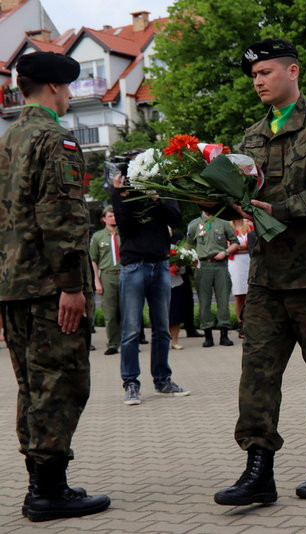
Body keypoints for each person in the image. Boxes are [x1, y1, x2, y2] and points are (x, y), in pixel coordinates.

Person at [214, 38, 306, 507]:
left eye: (266, 73)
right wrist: (213, 198)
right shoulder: (250, 137)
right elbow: (238, 195)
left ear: (292, 72)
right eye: (253, 76)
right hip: (267, 278)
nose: (258, 82)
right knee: (256, 373)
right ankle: (258, 468)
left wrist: (280, 208)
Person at [0, 51, 110, 522]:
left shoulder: (6, 141)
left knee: (31, 385)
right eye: (68, 89)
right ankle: (48, 493)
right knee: (60, 385)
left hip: (13, 287)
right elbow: (61, 218)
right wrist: (71, 285)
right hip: (49, 288)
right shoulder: (55, 140)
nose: (68, 97)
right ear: (54, 89)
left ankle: (42, 485)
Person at [111, 172, 190, 405]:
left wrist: (158, 197)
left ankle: (163, 380)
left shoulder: (163, 190)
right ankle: (131, 384)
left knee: (162, 329)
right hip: (133, 267)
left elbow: (175, 220)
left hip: (160, 264)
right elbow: (124, 226)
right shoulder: (124, 193)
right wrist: (119, 193)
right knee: (131, 330)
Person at [187, 210, 239, 347]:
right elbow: (189, 245)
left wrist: (226, 252)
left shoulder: (223, 223)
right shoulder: (194, 224)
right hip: (203, 266)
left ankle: (224, 335)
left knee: (223, 301)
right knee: (204, 302)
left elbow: (235, 242)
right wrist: (192, 259)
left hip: (220, 265)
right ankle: (208, 336)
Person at [89, 206, 122, 355]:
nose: (113, 218)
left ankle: (129, 342)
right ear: (104, 219)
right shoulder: (98, 237)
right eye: (109, 216)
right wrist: (97, 281)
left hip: (125, 273)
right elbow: (93, 260)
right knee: (110, 313)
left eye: (115, 215)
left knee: (128, 311)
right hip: (107, 275)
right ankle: (113, 343)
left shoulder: (125, 233)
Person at [229, 219, 253, 338]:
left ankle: (250, 323)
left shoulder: (249, 225)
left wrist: (236, 247)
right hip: (235, 263)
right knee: (239, 295)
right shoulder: (228, 227)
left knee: (250, 294)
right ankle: (240, 324)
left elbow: (251, 244)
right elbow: (227, 246)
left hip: (248, 261)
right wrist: (241, 247)